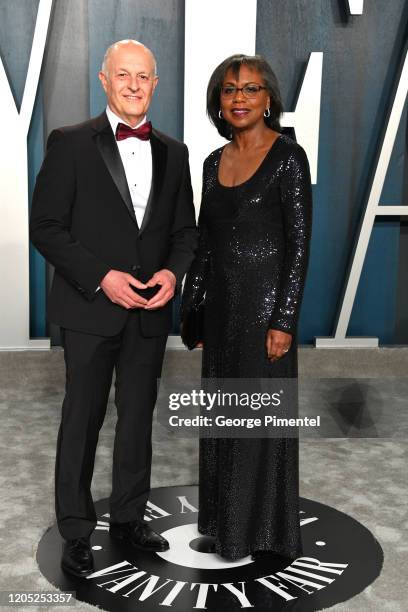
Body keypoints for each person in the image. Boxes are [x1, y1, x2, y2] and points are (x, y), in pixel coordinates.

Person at [30, 39, 197, 577]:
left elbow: (185, 232)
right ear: (104, 80)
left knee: (137, 422)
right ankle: (76, 531)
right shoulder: (71, 142)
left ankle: (128, 518)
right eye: (122, 75)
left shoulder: (176, 153)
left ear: (155, 84)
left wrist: (173, 272)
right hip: (88, 309)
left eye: (143, 76)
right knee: (82, 419)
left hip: (150, 312)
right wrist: (101, 278)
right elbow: (46, 228)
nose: (132, 85)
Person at [181, 54, 312, 561]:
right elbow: (206, 243)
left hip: (264, 316)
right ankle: (224, 524)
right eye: (231, 89)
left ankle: (258, 533)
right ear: (219, 99)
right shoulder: (213, 163)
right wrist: (193, 309)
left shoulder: (288, 158)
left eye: (252, 89)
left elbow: (300, 246)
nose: (240, 98)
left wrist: (284, 320)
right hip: (222, 313)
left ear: (269, 100)